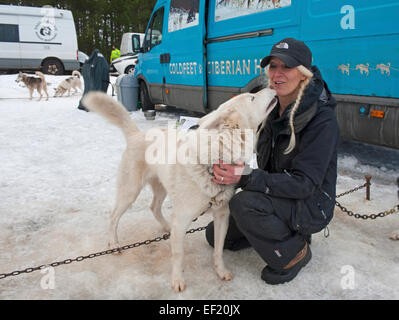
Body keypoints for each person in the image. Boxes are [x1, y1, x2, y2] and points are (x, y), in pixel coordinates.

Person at [205, 38, 340, 285]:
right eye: (273, 66)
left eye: (286, 67)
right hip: (278, 195)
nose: (277, 74)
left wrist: (245, 177)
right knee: (216, 236)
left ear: (303, 74)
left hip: (310, 204)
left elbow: (304, 184)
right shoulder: (271, 109)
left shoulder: (322, 120)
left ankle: (295, 252)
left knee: (244, 204)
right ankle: (277, 230)